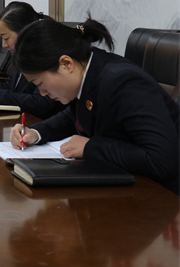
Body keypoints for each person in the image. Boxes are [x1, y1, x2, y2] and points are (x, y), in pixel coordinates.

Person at [10, 18, 180, 195]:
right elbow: (74, 116)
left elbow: (162, 161)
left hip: (163, 196)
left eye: (40, 83)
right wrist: (36, 133)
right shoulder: (91, 72)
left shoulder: (123, 83)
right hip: (126, 183)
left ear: (66, 64)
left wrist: (90, 147)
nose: (42, 92)